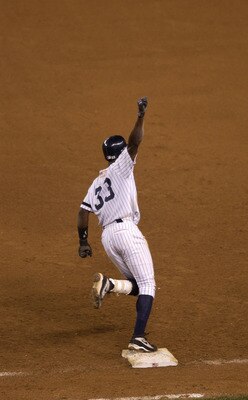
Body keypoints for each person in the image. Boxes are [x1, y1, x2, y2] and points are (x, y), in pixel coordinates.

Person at [77, 97, 157, 352]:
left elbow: (82, 211)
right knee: (148, 285)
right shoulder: (122, 167)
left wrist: (83, 242)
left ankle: (110, 285)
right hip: (126, 231)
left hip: (107, 238)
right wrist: (141, 115)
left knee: (136, 284)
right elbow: (135, 142)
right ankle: (138, 337)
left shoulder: (97, 182)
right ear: (120, 154)